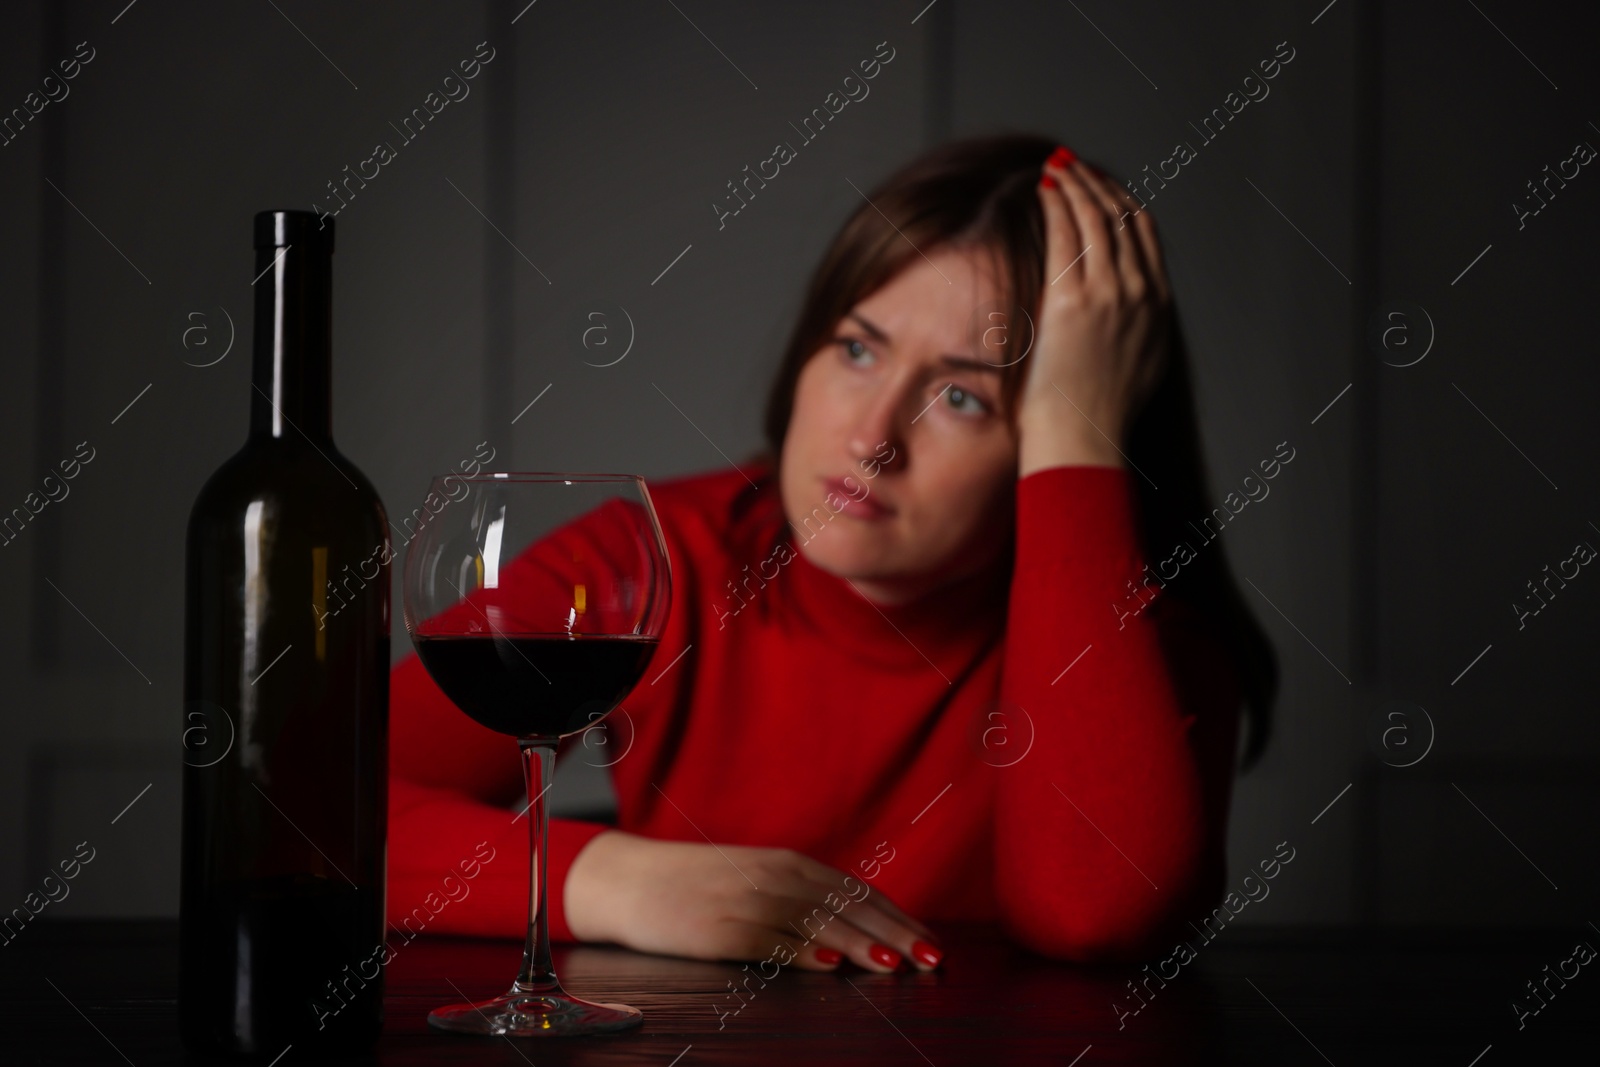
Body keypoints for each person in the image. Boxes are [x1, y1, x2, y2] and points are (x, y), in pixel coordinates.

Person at [387, 134, 1278, 973]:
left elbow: (1099, 914)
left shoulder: (1137, 634)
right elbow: (303, 811)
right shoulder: (658, 556)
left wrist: (1077, 436)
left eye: (963, 397)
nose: (872, 437)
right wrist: (619, 882)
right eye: (858, 348)